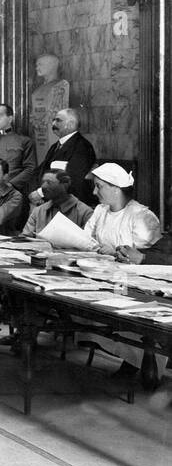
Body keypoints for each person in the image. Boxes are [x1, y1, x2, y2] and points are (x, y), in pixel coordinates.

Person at [77, 163, 165, 386]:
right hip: (104, 275)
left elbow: (152, 256)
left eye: (99, 187)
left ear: (115, 188)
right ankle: (116, 352)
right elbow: (86, 240)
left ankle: (136, 362)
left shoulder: (142, 216)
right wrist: (99, 250)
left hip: (137, 281)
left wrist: (119, 253)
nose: (94, 192)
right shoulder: (100, 211)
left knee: (129, 312)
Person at [30, 108, 97, 207]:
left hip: (68, 205)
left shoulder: (82, 147)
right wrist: (34, 191)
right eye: (53, 120)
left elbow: (71, 177)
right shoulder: (55, 146)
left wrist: (41, 193)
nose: (53, 123)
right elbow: (40, 171)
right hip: (50, 201)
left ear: (70, 124)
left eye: (58, 120)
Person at [0, 102, 37, 197]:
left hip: (15, 193)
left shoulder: (24, 141)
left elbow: (30, 169)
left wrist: (10, 185)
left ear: (10, 119)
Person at [22, 171, 93, 237]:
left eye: (49, 182)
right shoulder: (38, 211)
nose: (43, 186)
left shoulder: (85, 213)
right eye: (43, 182)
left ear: (65, 185)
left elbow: (89, 243)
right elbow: (25, 238)